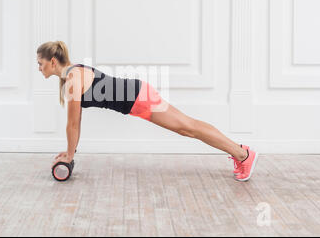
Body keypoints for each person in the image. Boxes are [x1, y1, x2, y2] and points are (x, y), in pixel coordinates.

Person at [37, 41, 258, 181]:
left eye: (40, 63)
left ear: (52, 61)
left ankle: (243, 154)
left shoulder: (73, 79)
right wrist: (69, 153)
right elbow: (75, 123)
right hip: (136, 96)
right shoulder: (73, 74)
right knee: (187, 127)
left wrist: (69, 154)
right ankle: (240, 152)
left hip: (137, 99)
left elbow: (73, 124)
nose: (39, 68)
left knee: (188, 128)